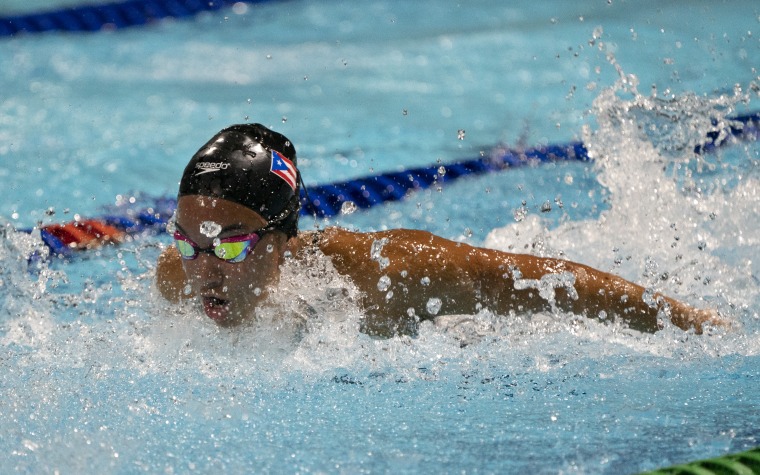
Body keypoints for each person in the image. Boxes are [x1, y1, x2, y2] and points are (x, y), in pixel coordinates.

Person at [155, 123, 723, 336]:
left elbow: (541, 281)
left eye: (229, 244)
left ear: (281, 242)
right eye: (188, 242)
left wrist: (695, 325)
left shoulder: (382, 276)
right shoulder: (178, 278)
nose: (202, 266)